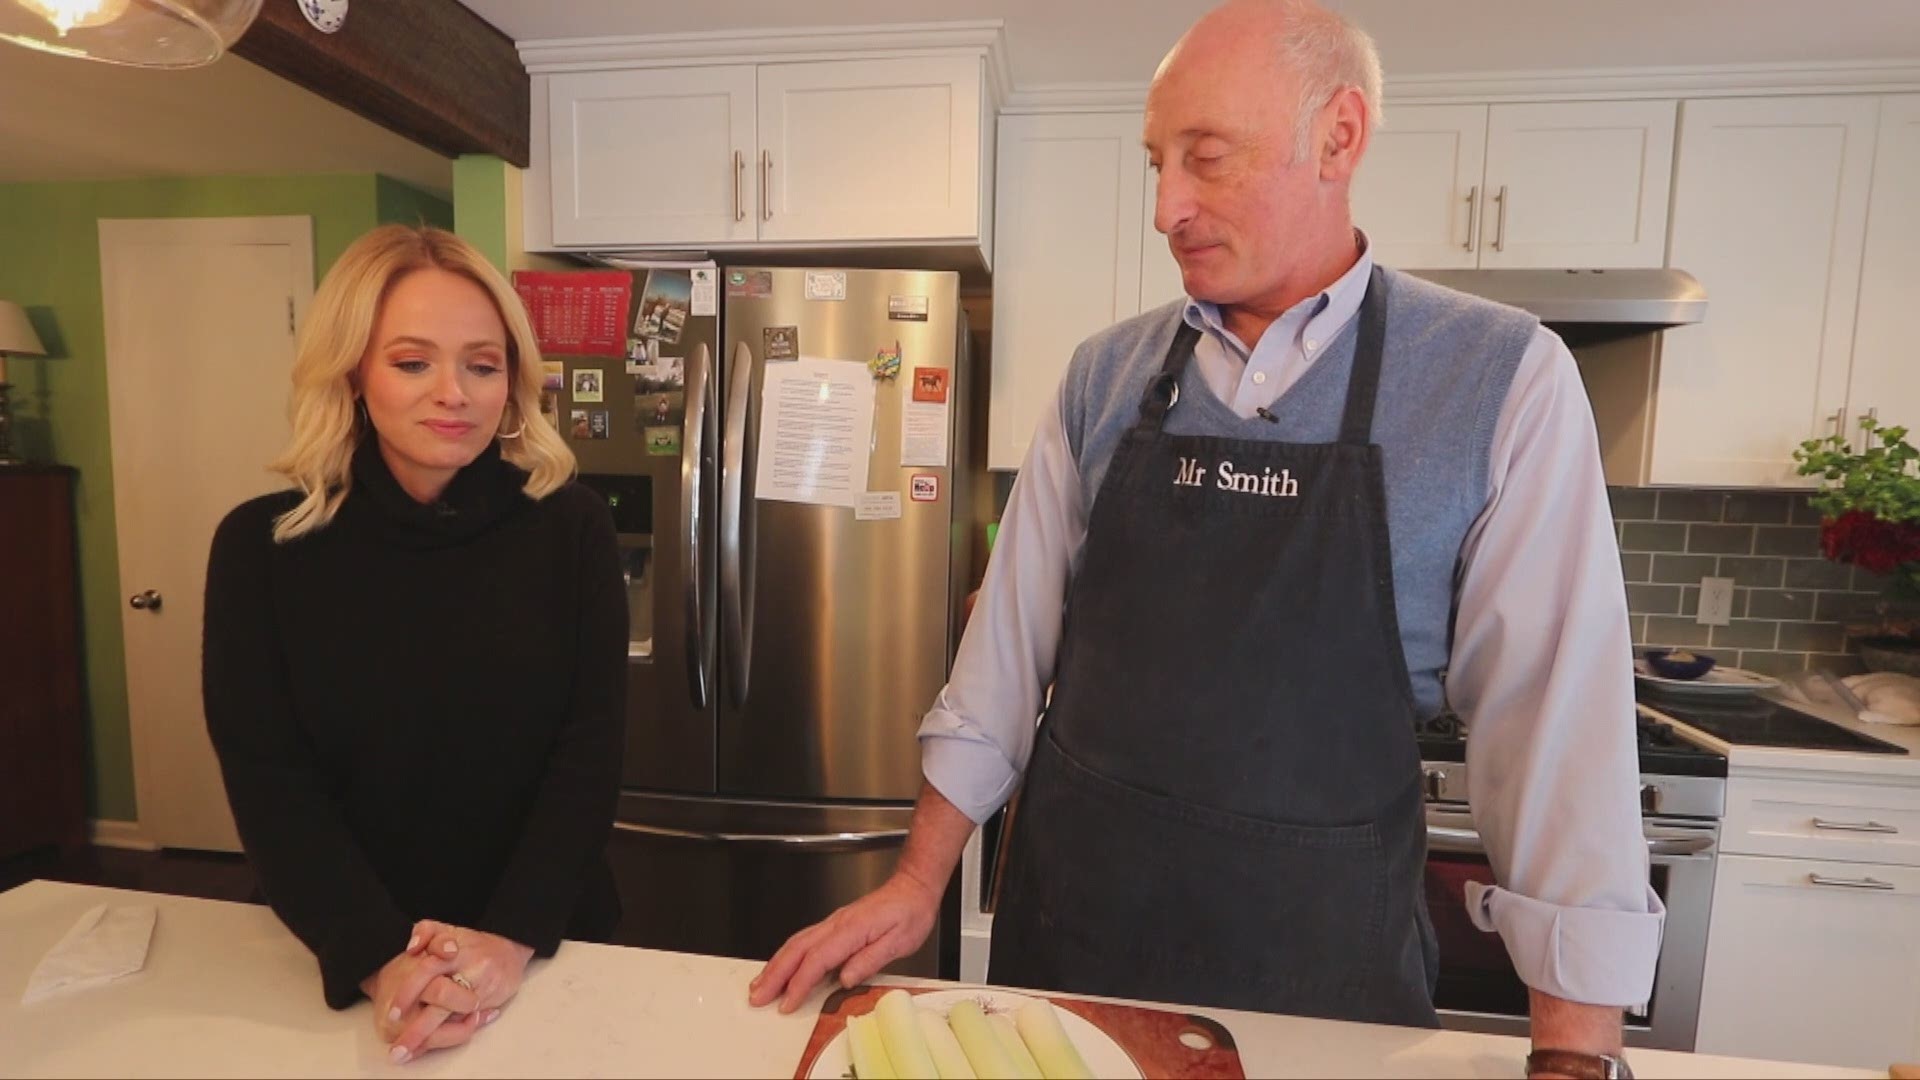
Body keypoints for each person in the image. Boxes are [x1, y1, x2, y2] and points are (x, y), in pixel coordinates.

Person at [750, 2, 1657, 1076]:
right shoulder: (1104, 377)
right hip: (1075, 968)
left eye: (1206, 158)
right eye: (1156, 164)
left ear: (1340, 137)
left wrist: (1575, 1056)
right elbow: (1001, 662)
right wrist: (917, 882)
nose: (1166, 206)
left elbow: (1556, 729)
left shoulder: (1498, 379)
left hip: (1322, 985)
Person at [202, 225, 627, 1065]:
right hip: (339, 954)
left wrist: (506, 941)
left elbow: (587, 755)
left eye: (482, 363)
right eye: (411, 362)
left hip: (542, 951)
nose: (455, 394)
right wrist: (378, 960)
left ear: (512, 383)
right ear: (353, 373)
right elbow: (268, 778)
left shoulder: (570, 529)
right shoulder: (261, 548)